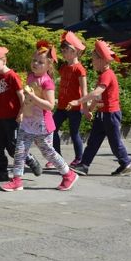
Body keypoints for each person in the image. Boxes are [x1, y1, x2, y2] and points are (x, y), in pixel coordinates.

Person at [1, 40, 78, 192]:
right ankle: (17, 180)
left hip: (42, 124)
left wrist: (33, 97)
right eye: (34, 60)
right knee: (20, 150)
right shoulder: (31, 77)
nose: (35, 64)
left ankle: (69, 174)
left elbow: (50, 106)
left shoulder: (47, 82)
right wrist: (21, 112)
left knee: (48, 153)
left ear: (49, 65)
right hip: (28, 122)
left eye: (40, 62)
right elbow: (28, 98)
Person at [68, 40, 131, 176]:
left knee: (115, 142)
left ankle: (126, 164)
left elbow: (97, 92)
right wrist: (90, 109)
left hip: (111, 114)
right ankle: (84, 165)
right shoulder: (102, 75)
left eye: (94, 59)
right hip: (103, 114)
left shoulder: (107, 75)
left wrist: (78, 101)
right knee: (93, 141)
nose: (92, 62)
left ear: (103, 60)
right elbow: (99, 97)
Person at [0, 46, 42, 182]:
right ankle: (1, 172)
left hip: (12, 118)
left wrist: (21, 113)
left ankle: (30, 159)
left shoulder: (12, 76)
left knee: (13, 147)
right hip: (0, 118)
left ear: (4, 61)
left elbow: (21, 96)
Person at [48, 31, 88, 169]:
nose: (63, 53)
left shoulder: (80, 69)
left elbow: (84, 90)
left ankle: (79, 158)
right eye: (63, 50)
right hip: (62, 106)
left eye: (66, 50)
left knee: (74, 132)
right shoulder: (64, 67)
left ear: (75, 51)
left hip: (74, 107)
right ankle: (57, 157)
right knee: (51, 129)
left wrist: (85, 107)